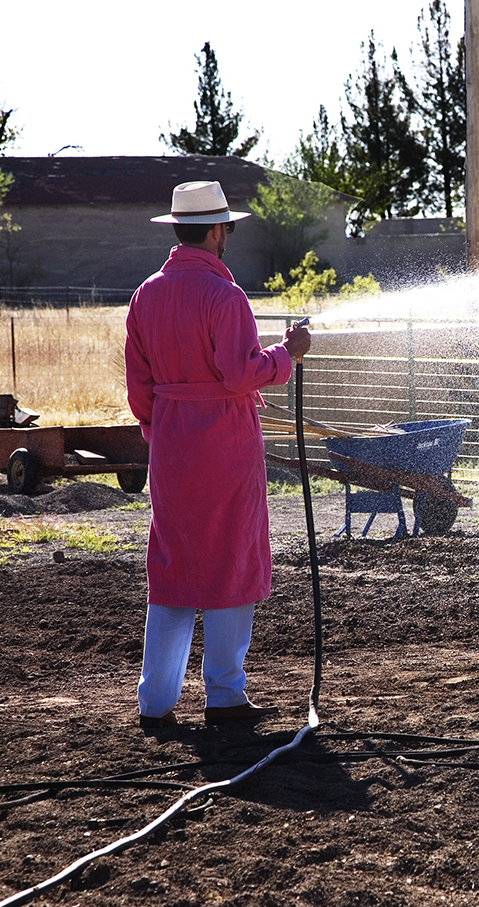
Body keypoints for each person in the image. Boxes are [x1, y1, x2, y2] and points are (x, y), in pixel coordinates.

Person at [124, 180, 311, 730]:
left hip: (173, 444)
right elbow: (240, 373)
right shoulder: (225, 298)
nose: (228, 233)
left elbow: (140, 387)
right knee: (230, 557)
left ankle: (155, 700)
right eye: (227, 226)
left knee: (174, 564)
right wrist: (287, 354)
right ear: (212, 230)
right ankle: (225, 694)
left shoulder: (145, 294)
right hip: (225, 445)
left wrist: (161, 431)